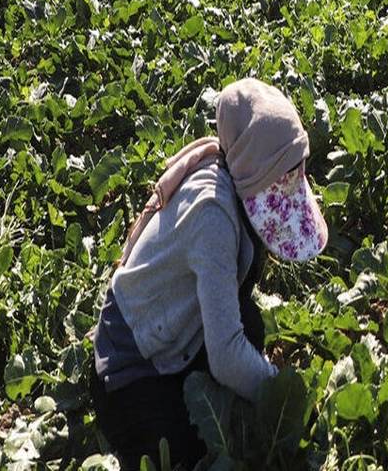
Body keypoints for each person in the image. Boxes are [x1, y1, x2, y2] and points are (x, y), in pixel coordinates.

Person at [89, 78, 328, 470]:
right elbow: (226, 357)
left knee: (248, 325)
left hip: (177, 333)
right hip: (130, 366)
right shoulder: (212, 216)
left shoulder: (232, 167)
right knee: (187, 451)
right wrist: (290, 403)